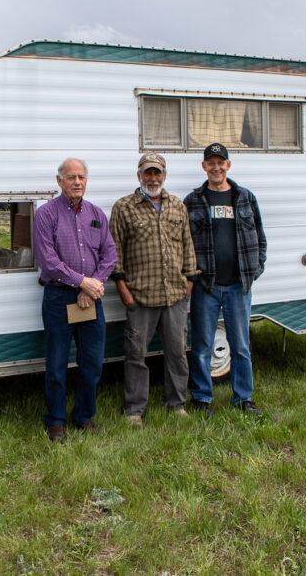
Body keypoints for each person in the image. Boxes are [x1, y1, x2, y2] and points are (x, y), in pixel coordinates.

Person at [110, 152, 198, 425]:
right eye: (147, 172)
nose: (152, 178)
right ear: (139, 175)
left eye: (157, 172)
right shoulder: (124, 207)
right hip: (140, 296)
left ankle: (177, 404)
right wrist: (123, 289)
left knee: (177, 353)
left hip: (175, 295)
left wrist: (190, 281)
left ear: (164, 175)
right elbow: (115, 251)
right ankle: (135, 410)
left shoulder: (177, 206)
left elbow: (187, 245)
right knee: (136, 354)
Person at [33, 157, 116, 442]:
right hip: (58, 297)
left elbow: (110, 255)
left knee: (92, 362)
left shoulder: (96, 214)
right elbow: (48, 261)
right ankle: (55, 420)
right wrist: (82, 281)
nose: (77, 182)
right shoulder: (46, 214)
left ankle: (83, 416)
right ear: (59, 181)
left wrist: (91, 287)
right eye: (71, 177)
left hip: (90, 297)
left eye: (81, 177)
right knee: (57, 363)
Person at [183, 143, 267, 417]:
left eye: (221, 162)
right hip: (206, 285)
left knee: (241, 346)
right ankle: (201, 398)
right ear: (204, 166)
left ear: (228, 165)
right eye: (211, 163)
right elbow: (185, 243)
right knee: (201, 345)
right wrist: (191, 275)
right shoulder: (193, 200)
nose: (216, 167)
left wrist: (255, 269)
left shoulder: (245, 197)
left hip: (238, 286)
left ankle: (243, 398)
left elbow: (260, 237)